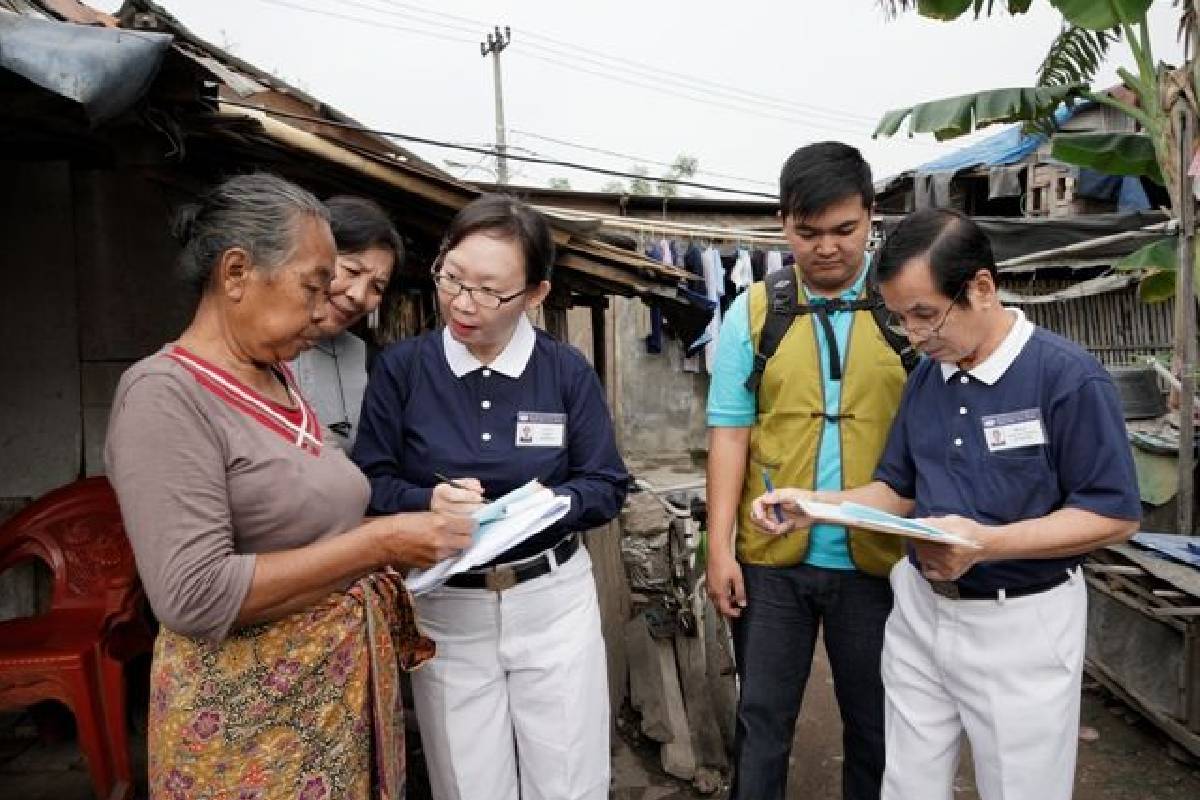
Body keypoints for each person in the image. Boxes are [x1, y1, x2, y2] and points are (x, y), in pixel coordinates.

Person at [104, 173, 474, 800]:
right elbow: (193, 595)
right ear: (237, 272)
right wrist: (381, 540)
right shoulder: (163, 396)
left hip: (329, 707)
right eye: (313, 285)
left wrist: (411, 530)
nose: (326, 305)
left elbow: (309, 523)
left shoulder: (276, 378)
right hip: (244, 728)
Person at [752, 208, 1141, 800]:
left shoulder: (1065, 378)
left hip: (1021, 621)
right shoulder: (929, 379)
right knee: (908, 782)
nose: (913, 335)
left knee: (1021, 787)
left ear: (981, 288)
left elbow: (1113, 513)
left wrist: (985, 544)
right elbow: (897, 490)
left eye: (925, 315)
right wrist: (818, 503)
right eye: (901, 318)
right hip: (920, 609)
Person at [352, 194, 628, 800]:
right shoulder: (400, 369)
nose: (463, 303)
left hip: (550, 601)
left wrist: (540, 507)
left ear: (535, 294)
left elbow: (605, 484)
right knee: (468, 784)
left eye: (490, 290)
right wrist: (429, 501)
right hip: (446, 604)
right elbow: (370, 482)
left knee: (568, 781)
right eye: (453, 278)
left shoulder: (564, 371)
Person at [704, 141, 907, 800]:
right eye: (807, 232)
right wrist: (719, 551)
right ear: (783, 223)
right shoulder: (755, 310)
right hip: (771, 560)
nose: (827, 247)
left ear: (872, 218)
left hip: (879, 557)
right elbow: (729, 434)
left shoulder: (907, 308)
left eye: (845, 230)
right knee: (761, 721)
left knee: (876, 728)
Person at [291, 195, 404, 452]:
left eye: (377, 287)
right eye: (352, 271)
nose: (358, 295)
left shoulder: (370, 362)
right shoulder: (251, 342)